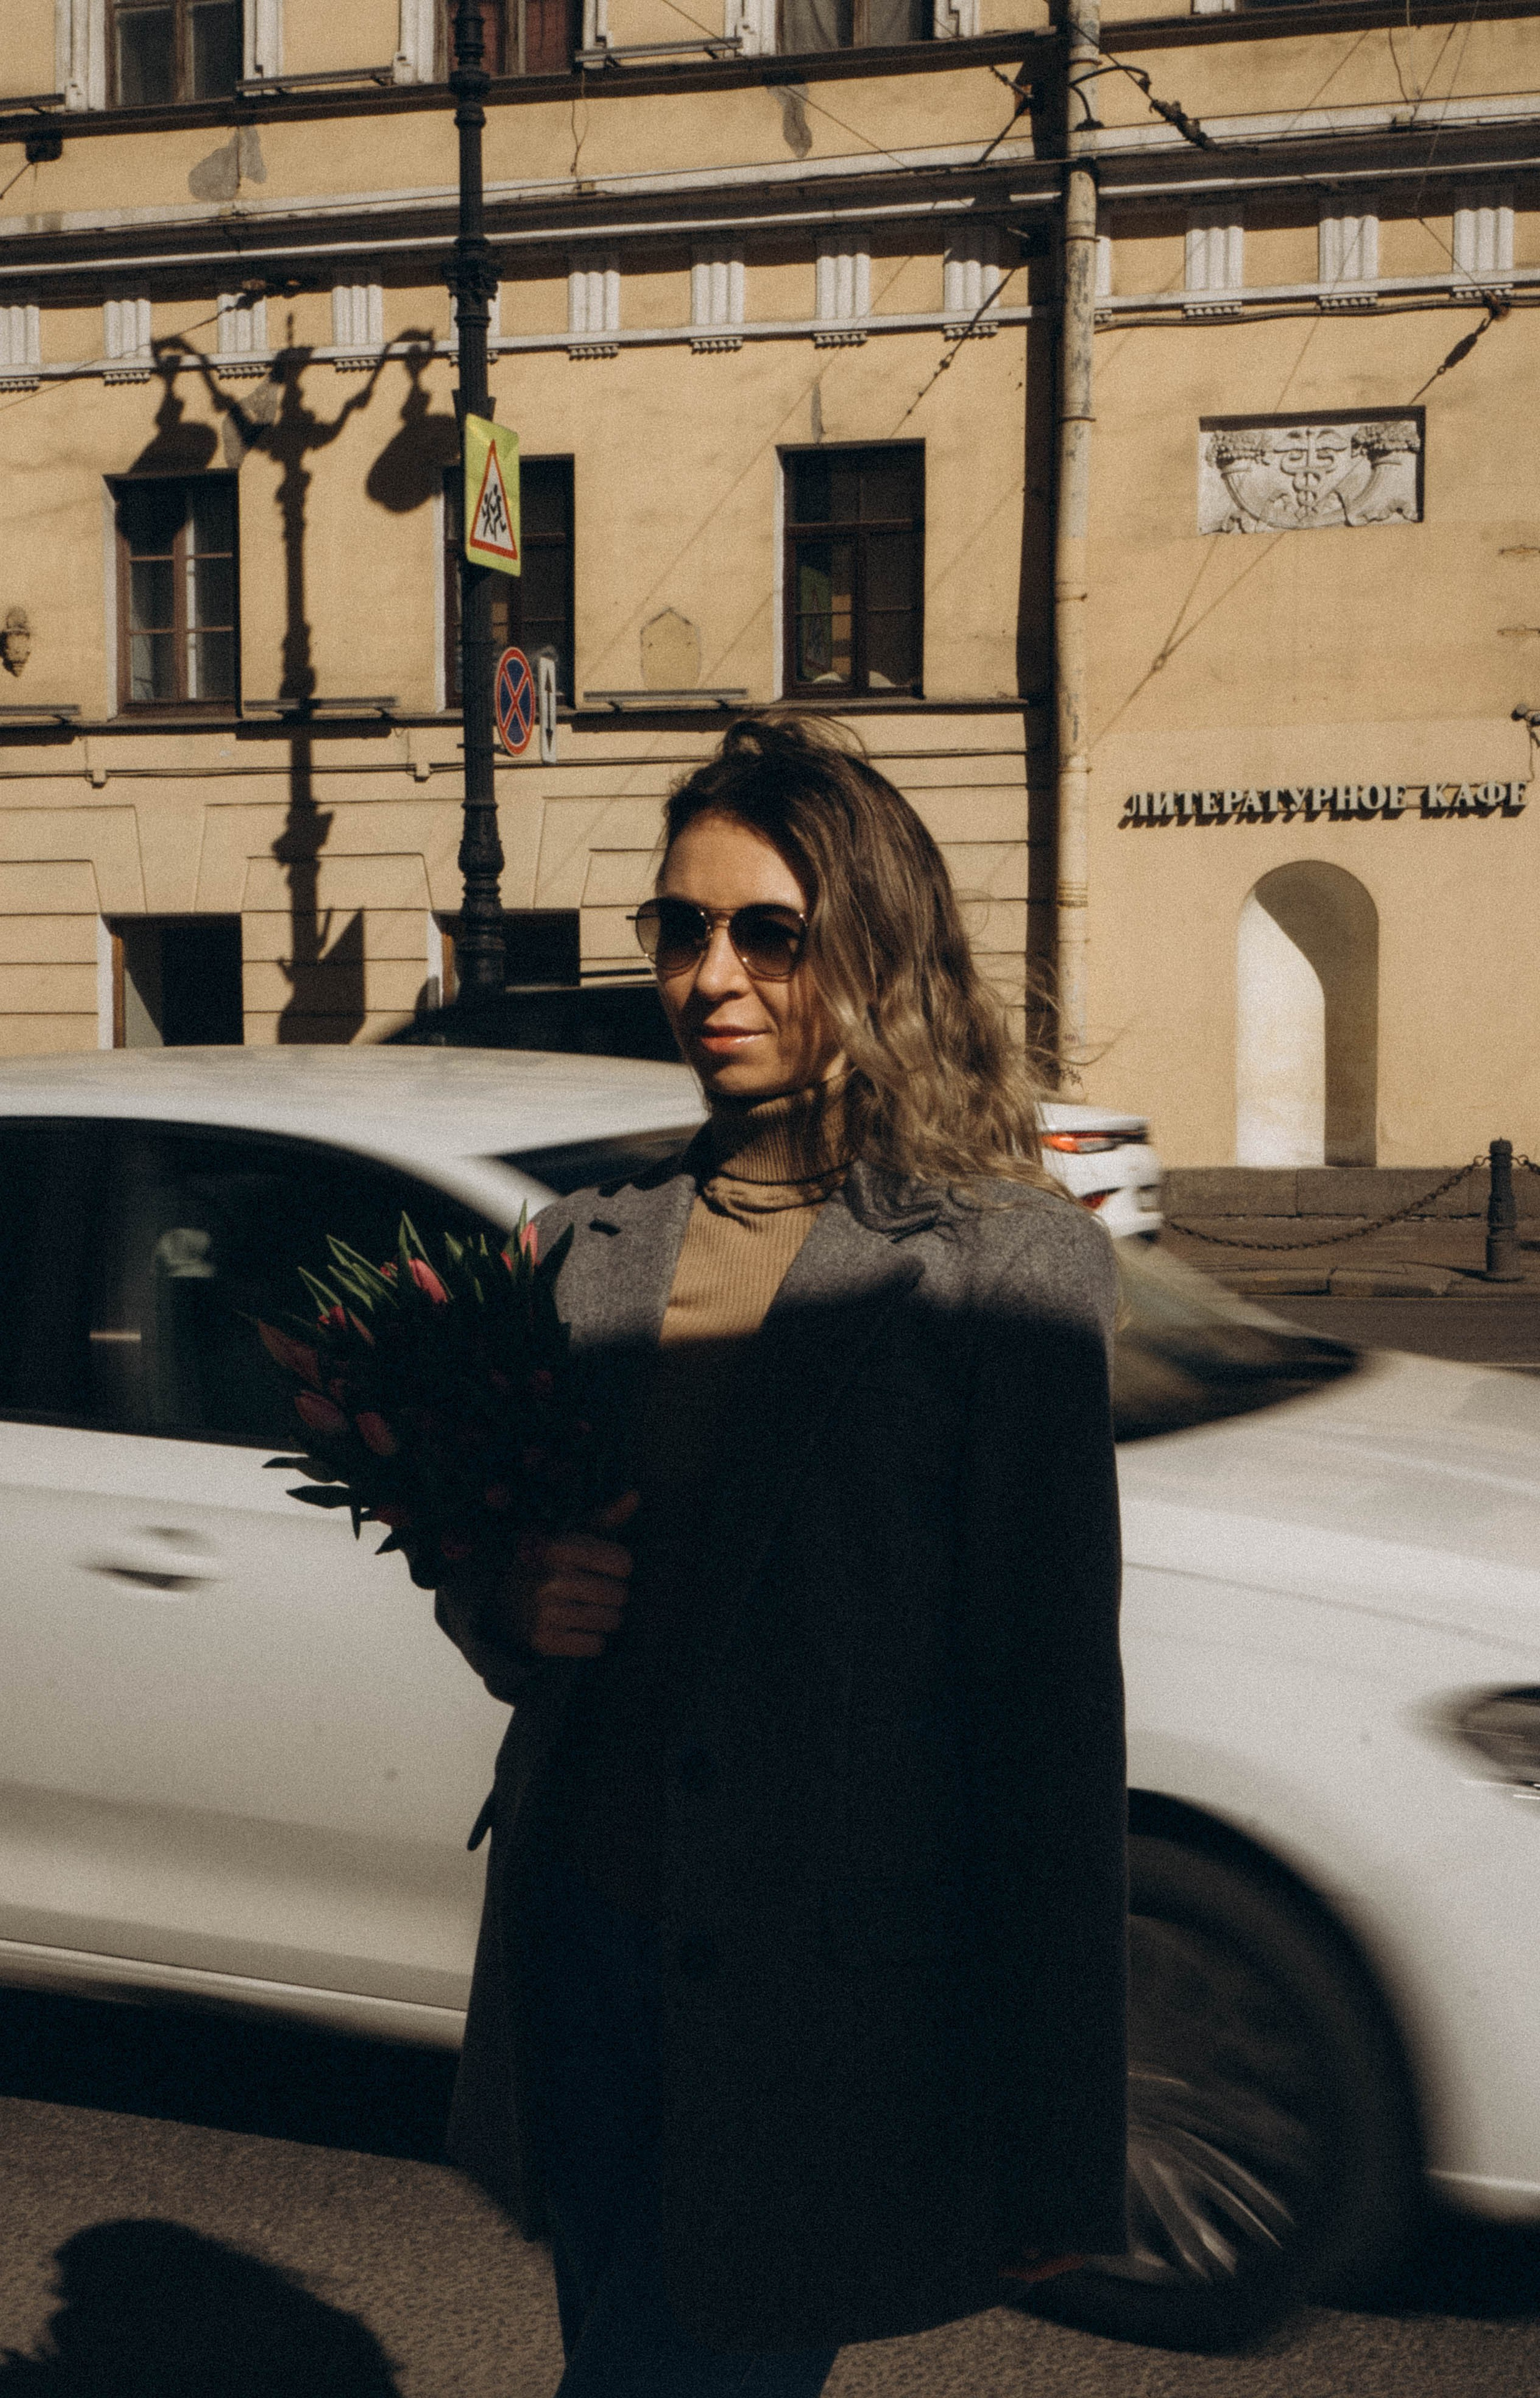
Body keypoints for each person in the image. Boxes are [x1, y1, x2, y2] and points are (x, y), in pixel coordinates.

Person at [435, 712, 1129, 2397]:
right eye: (681, 929)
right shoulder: (585, 1253)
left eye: (768, 933)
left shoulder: (1001, 1269)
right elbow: (492, 1563)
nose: (711, 976)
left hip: (820, 2015)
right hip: (584, 1947)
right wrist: (515, 1602)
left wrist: (1057, 2126)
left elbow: (1047, 1724)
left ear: (871, 952)